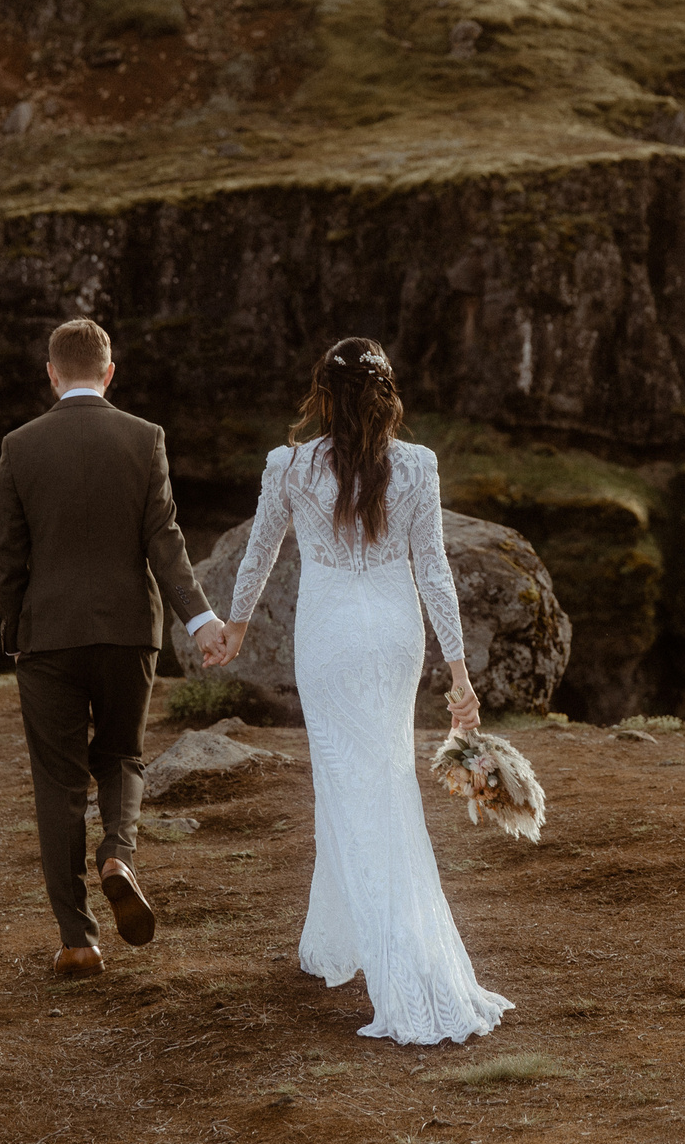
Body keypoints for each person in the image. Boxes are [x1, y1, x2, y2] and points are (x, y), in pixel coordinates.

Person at [200, 337, 512, 1045]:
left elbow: (260, 552)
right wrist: (459, 674)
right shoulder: (419, 466)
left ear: (323, 394)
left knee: (345, 782)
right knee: (384, 776)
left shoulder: (290, 465)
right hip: (396, 631)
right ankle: (333, 940)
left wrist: (237, 627)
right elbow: (433, 570)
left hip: (332, 631)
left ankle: (393, 962)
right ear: (386, 396)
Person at [0, 317, 219, 980]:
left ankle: (77, 940)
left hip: (48, 636)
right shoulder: (144, 438)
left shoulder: (19, 446)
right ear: (110, 372)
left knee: (58, 782)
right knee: (121, 755)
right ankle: (117, 854)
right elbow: (165, 542)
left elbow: (9, 554)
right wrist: (199, 619)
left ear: (52, 372)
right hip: (128, 630)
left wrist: (15, 631)